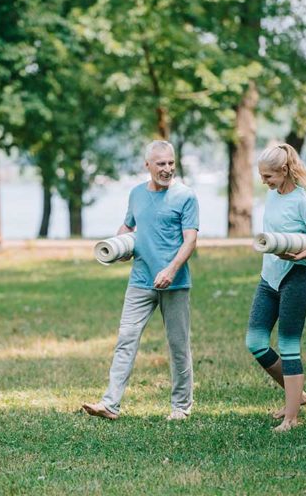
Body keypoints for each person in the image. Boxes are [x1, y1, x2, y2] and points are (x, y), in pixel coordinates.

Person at [83, 140, 199, 421]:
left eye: (171, 163)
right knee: (126, 338)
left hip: (174, 282)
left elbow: (190, 240)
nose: (167, 169)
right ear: (147, 165)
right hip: (140, 280)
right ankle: (110, 404)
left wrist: (171, 270)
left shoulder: (186, 196)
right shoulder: (136, 194)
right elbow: (128, 225)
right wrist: (118, 246)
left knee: (178, 344)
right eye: (161, 164)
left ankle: (181, 406)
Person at [246, 143, 306, 432]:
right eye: (261, 176)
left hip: (294, 277)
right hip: (268, 277)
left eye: (268, 176)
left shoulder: (302, 201)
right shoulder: (273, 196)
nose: (264, 182)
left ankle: (291, 418)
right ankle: (298, 396)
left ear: (284, 171)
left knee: (289, 345)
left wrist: (300, 255)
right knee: (255, 342)